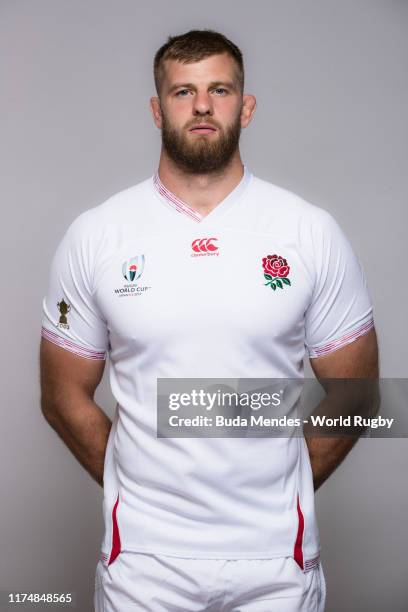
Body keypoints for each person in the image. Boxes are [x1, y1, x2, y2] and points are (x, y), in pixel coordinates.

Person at [40, 29, 379, 611]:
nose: (202, 105)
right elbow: (61, 396)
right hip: (145, 564)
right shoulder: (97, 236)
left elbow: (362, 396)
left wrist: (286, 486)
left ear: (245, 106)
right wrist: (137, 491)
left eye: (219, 89)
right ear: (156, 109)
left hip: (278, 561)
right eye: (183, 92)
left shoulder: (307, 232)